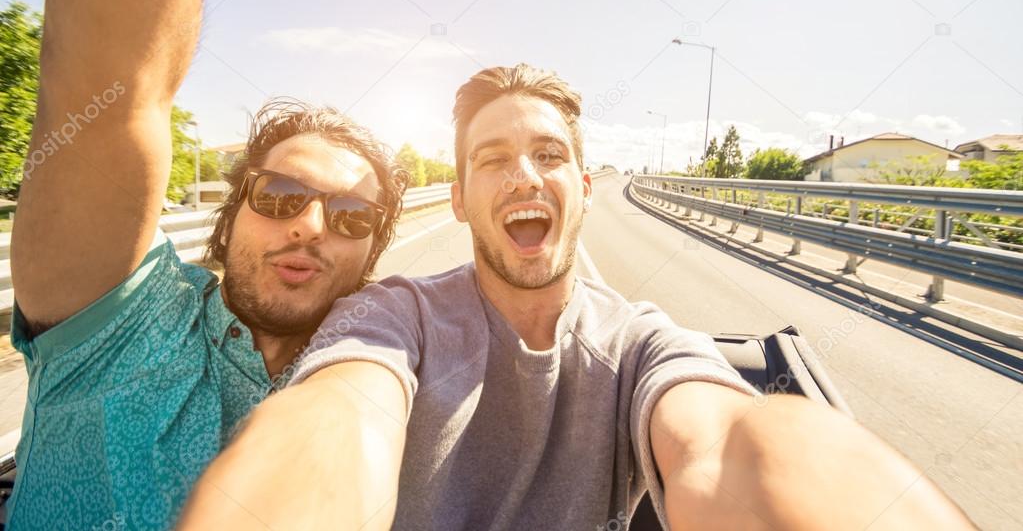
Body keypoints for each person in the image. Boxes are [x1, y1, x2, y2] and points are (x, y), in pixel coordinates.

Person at [179, 64, 975, 530]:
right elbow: (336, 419)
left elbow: (730, 444)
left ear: (584, 188)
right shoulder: (392, 316)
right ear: (456, 198)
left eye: (548, 155)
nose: (524, 175)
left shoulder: (639, 343)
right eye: (492, 159)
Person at [7, 0, 406, 529]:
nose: (311, 224)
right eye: (280, 196)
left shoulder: (384, 365)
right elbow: (114, 89)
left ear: (372, 256)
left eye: (351, 216)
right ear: (230, 219)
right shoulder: (120, 319)